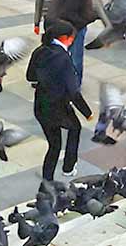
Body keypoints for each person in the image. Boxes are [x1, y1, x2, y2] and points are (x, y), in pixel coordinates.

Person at [26, 20, 93, 181]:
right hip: (59, 107)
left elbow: (30, 76)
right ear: (64, 38)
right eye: (72, 38)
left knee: (54, 145)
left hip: (41, 106)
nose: (72, 41)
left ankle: (47, 180)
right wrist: (87, 112)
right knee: (75, 127)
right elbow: (73, 91)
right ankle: (69, 166)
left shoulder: (40, 51)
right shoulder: (63, 58)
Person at [48, 0, 100, 85]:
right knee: (62, 56)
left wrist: (79, 23)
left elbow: (87, 11)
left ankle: (75, 85)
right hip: (63, 28)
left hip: (77, 28)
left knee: (76, 58)